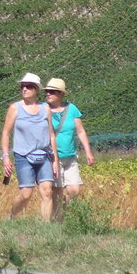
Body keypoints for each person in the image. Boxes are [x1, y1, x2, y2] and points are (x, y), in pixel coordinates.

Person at [0, 72, 59, 221]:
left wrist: (55, 161)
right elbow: (6, 133)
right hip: (23, 156)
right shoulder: (15, 108)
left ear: (36, 90)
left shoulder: (45, 109)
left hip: (44, 155)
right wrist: (6, 157)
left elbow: (51, 135)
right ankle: (12, 217)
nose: (25, 89)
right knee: (26, 194)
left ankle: (46, 228)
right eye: (23, 86)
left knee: (47, 192)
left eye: (29, 86)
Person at [44, 77, 94, 222]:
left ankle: (60, 215)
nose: (48, 94)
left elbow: (80, 131)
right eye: (47, 91)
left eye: (52, 91)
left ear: (60, 94)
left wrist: (88, 152)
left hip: (70, 156)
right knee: (57, 191)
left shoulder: (72, 109)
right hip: (53, 157)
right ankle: (58, 221)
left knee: (74, 190)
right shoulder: (44, 109)